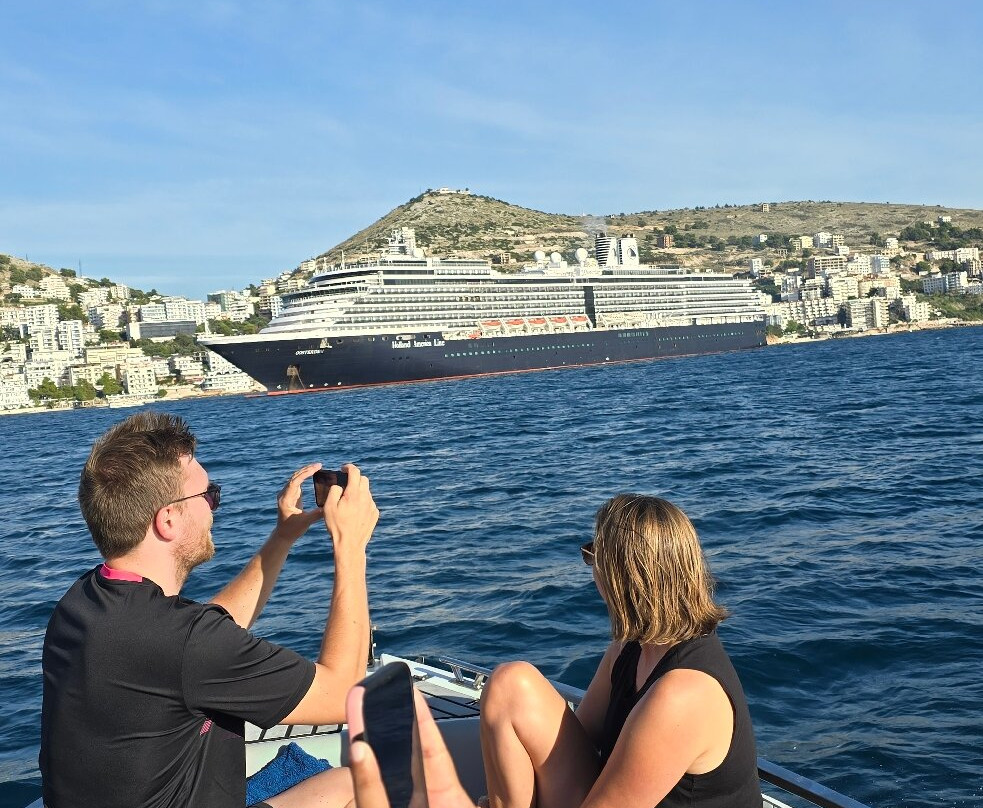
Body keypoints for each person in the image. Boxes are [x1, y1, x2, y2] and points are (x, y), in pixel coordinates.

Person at [39, 411, 379, 808]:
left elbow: (204, 633)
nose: (214, 507)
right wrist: (351, 548)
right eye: (209, 495)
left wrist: (282, 538)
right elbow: (342, 695)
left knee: (342, 782)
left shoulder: (83, 601)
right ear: (167, 520)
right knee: (365, 784)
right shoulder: (187, 644)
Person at [478, 494, 760, 808]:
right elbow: (574, 742)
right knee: (510, 685)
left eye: (593, 555)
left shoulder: (683, 694)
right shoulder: (629, 650)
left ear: (619, 576)